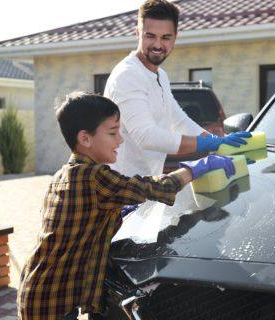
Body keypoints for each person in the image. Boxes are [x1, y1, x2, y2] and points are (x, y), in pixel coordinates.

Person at [16, 92, 235, 320]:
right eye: (112, 132)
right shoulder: (94, 176)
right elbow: (153, 188)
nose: (120, 140)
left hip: (38, 288)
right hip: (51, 302)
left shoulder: (65, 173)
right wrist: (197, 167)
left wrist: (116, 211)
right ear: (86, 139)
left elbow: (78, 218)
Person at [104, 0, 251, 178]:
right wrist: (204, 144)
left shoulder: (161, 76)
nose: (158, 45)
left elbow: (179, 121)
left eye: (166, 37)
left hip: (146, 186)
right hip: (120, 190)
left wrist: (217, 142)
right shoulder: (128, 75)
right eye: (150, 36)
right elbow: (146, 136)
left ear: (175, 37)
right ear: (137, 33)